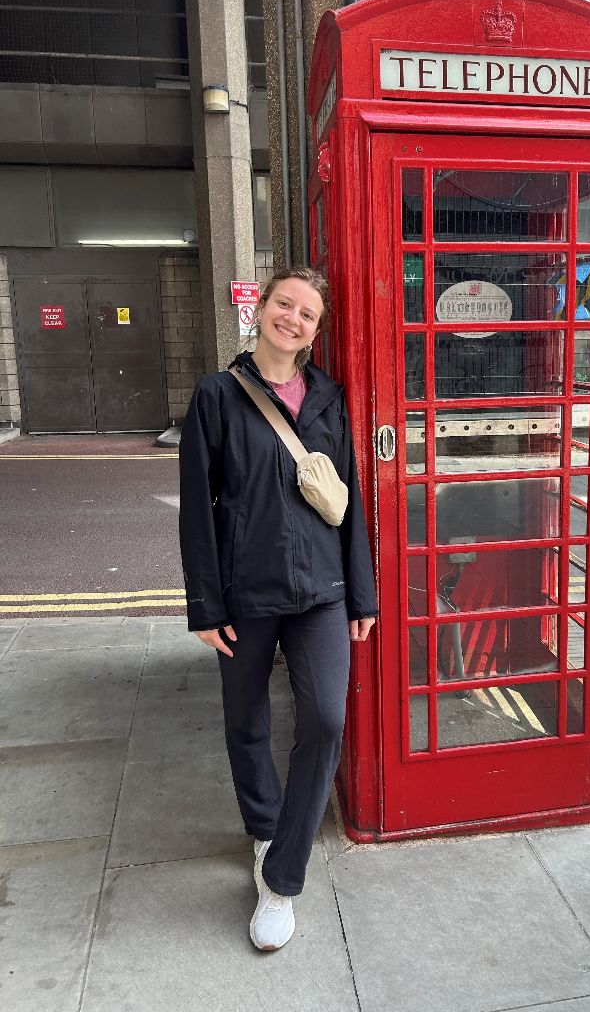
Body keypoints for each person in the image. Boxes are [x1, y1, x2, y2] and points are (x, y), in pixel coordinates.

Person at [178, 267, 377, 951]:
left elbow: (349, 503)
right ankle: (265, 832)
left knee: (325, 718)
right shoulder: (216, 397)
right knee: (248, 722)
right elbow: (197, 515)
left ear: (317, 332)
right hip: (245, 591)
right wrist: (204, 605)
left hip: (322, 589)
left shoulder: (329, 397)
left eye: (308, 314)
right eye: (283, 305)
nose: (293, 319)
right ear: (258, 310)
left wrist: (363, 591)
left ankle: (281, 875)